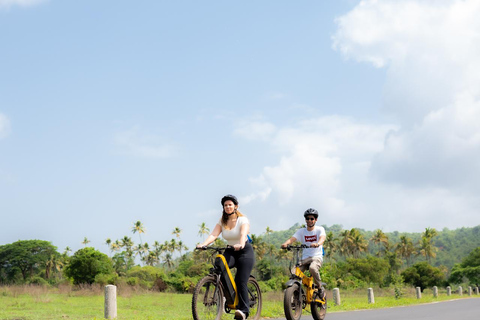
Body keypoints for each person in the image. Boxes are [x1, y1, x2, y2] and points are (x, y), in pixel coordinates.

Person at [197, 194, 254, 320]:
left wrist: (241, 244)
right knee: (219, 268)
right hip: (230, 250)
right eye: (225, 205)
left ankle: (244, 310)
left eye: (230, 205)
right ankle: (225, 299)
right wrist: (204, 244)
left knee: (240, 281)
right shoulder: (222, 221)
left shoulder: (242, 220)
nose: (227, 207)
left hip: (244, 251)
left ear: (235, 206)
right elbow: (214, 234)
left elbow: (243, 233)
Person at [281, 208, 326, 297]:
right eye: (307, 218)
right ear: (305, 219)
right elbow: (292, 239)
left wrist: (318, 244)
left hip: (316, 257)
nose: (309, 220)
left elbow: (322, 238)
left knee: (312, 268)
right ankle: (296, 294)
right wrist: (285, 244)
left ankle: (320, 287)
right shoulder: (302, 231)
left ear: (315, 220)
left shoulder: (319, 229)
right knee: (294, 272)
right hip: (305, 258)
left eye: (312, 219)